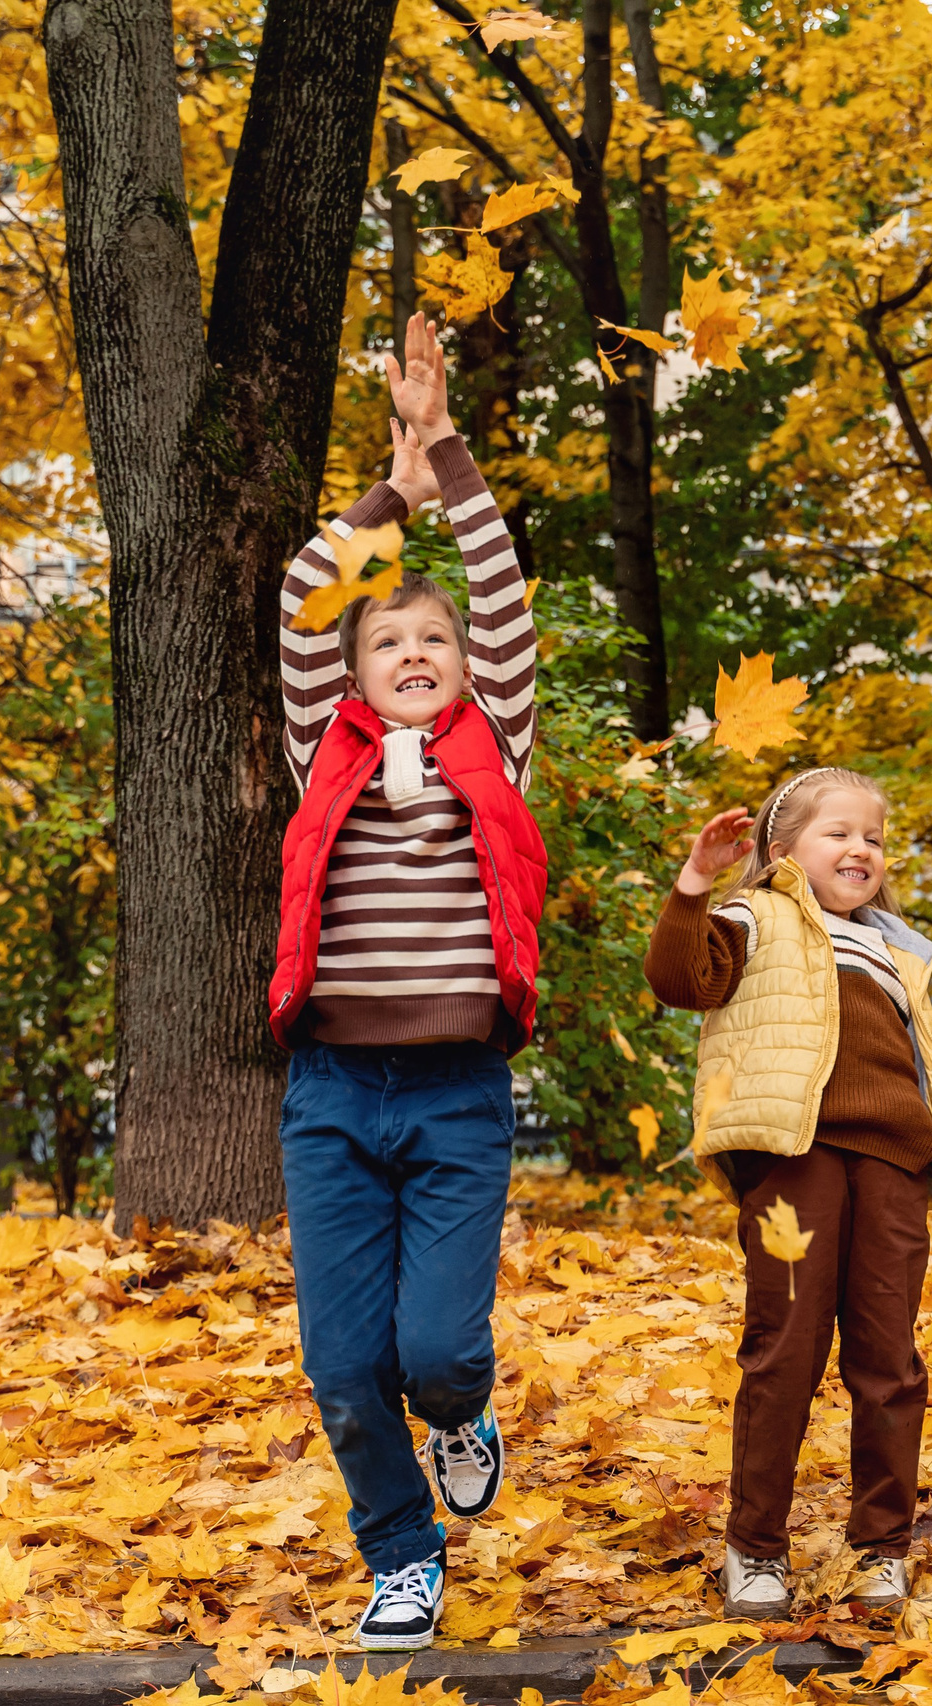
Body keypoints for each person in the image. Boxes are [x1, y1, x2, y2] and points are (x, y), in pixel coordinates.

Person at [269, 312, 547, 1651]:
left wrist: (450, 453)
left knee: (433, 1352)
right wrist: (392, 486)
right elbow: (305, 592)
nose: (419, 652)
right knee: (343, 1361)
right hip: (329, 1088)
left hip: (453, 1091)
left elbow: (501, 596)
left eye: (436, 642)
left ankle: (464, 1416)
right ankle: (401, 1552)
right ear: (358, 672)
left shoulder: (497, 743)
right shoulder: (319, 745)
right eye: (392, 644)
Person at [646, 770, 932, 1616]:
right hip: (794, 1163)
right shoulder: (751, 919)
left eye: (872, 837)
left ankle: (881, 1547)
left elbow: (913, 1090)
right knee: (785, 1352)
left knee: (888, 1363)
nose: (860, 849)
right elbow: (679, 980)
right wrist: (695, 885)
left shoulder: (897, 951)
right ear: (781, 849)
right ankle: (755, 1548)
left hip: (890, 1171)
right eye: (837, 833)